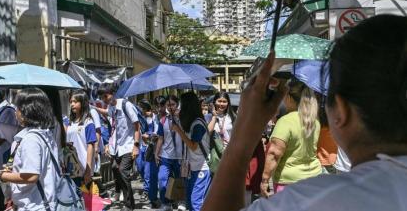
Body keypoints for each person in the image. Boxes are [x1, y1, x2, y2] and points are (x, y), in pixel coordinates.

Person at [203, 14, 407, 211]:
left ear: (341, 111)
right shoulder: (314, 123)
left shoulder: (312, 201)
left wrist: (241, 140)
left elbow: (274, 152)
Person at [259, 81, 321, 196]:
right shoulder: (315, 121)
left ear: (289, 97)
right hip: (313, 177)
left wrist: (264, 180)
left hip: (289, 182)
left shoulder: (285, 121)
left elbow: (274, 154)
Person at [96, 85, 140, 211]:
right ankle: (122, 195)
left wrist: (136, 146)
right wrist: (95, 108)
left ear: (113, 93)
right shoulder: (111, 107)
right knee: (116, 168)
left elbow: (137, 125)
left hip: (128, 145)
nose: (104, 99)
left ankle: (129, 205)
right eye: (102, 97)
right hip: (117, 147)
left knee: (123, 172)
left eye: (106, 96)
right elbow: (108, 114)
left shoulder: (126, 105)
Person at [172, 92, 211, 211]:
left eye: (183, 105)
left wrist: (179, 131)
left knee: (196, 202)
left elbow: (193, 146)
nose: (181, 108)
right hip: (192, 168)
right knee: (189, 201)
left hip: (202, 168)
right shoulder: (192, 122)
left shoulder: (198, 124)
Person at [154, 95, 184, 211]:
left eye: (172, 104)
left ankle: (180, 201)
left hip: (180, 156)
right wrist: (157, 153)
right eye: (168, 105)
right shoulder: (163, 120)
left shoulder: (183, 118)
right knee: (162, 180)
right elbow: (161, 138)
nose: (170, 107)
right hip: (165, 156)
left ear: (177, 105)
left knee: (179, 180)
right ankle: (165, 203)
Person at [66, 90, 97, 186]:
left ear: (82, 102)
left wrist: (88, 169)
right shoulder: (70, 122)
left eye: (75, 102)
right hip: (70, 166)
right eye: (71, 102)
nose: (72, 104)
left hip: (82, 166)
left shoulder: (88, 122)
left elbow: (90, 145)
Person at [137, 100, 160, 209]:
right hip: (141, 147)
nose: (139, 109)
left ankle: (147, 191)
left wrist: (149, 135)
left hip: (150, 148)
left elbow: (157, 132)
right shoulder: (139, 118)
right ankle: (149, 187)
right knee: (140, 168)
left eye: (140, 107)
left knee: (147, 171)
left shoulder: (155, 117)